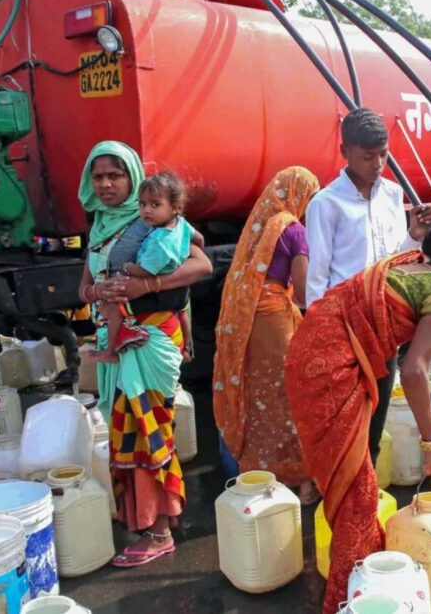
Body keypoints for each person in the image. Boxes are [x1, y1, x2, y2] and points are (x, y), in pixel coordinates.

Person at [286, 208, 431, 614]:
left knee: (351, 482)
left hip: (309, 353)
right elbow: (415, 371)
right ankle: (350, 602)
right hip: (332, 371)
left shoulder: (411, 262)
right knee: (359, 499)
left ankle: (364, 587)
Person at [75, 141, 212, 568]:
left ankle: (160, 531)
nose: (106, 184)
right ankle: (144, 518)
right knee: (125, 430)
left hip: (149, 339)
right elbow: (83, 288)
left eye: (115, 175)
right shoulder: (99, 227)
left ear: (132, 177)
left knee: (150, 430)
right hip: (113, 340)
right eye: (98, 176)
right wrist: (99, 291)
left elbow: (202, 266)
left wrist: (144, 286)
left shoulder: (154, 221)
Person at [305, 107, 431, 464]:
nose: (378, 163)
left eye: (384, 154)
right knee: (346, 419)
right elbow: (317, 276)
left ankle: (367, 494)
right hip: (344, 326)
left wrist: (415, 235)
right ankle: (341, 497)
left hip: (384, 322)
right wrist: (321, 334)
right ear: (345, 151)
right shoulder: (326, 204)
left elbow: (398, 259)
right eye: (368, 156)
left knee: (376, 414)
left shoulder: (393, 196)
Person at [213, 166, 320, 505]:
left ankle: (261, 478)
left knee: (257, 399)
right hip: (275, 321)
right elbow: (304, 290)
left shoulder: (258, 228)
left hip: (247, 321)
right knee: (290, 397)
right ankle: (302, 482)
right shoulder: (294, 230)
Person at [92, 172, 194, 363]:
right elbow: (199, 239)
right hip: (178, 288)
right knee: (183, 312)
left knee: (116, 308)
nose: (147, 210)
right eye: (142, 204)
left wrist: (128, 269)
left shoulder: (159, 238)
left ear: (175, 208)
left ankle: (111, 351)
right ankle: (187, 349)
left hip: (153, 291)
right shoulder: (180, 225)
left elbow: (146, 271)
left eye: (155, 205)